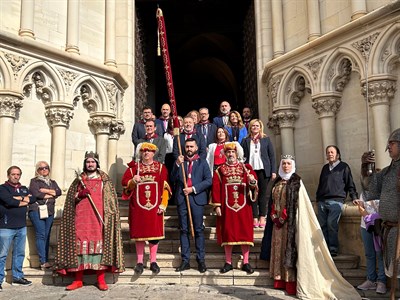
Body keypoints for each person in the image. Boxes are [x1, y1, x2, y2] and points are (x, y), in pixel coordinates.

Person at [264, 156, 361, 299]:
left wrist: (285, 216)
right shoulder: (277, 182)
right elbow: (272, 201)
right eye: (283, 163)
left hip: (290, 224)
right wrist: (273, 215)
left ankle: (290, 282)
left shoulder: (296, 182)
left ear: (293, 166)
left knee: (289, 250)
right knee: (278, 251)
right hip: (277, 225)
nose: (285, 166)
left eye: (288, 164)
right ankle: (279, 280)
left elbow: (300, 204)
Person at [54, 152, 124, 291]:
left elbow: (110, 201)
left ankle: (101, 280)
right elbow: (70, 200)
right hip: (81, 219)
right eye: (88, 162)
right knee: (80, 248)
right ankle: (78, 280)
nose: (90, 164)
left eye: (92, 162)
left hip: (98, 219)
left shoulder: (105, 180)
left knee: (99, 248)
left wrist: (108, 217)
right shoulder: (79, 180)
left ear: (97, 164)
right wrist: (79, 194)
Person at [121, 142, 171, 275]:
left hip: (155, 207)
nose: (146, 153)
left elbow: (165, 187)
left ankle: (153, 261)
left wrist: (163, 204)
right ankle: (139, 262)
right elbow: (125, 189)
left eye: (148, 151)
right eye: (143, 151)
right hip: (138, 207)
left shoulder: (161, 168)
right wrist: (132, 181)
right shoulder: (133, 169)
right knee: (140, 236)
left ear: (153, 153)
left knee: (154, 236)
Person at [210, 142, 258, 274]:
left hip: (244, 206)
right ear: (224, 155)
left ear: (237, 154)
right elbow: (216, 188)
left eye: (233, 152)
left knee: (245, 232)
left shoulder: (246, 168)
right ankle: (228, 262)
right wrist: (217, 205)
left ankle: (246, 262)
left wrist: (252, 181)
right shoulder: (219, 170)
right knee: (228, 232)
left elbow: (253, 187)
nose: (230, 154)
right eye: (228, 152)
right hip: (227, 207)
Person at [361, 128, 400, 281]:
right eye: (388, 143)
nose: (388, 146)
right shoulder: (387, 172)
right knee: (395, 270)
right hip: (391, 229)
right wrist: (366, 169)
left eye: (392, 143)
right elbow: (371, 191)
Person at [170, 138, 212, 273]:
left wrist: (193, 188)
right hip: (182, 200)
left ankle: (201, 260)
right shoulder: (180, 163)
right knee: (183, 230)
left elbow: (208, 180)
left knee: (198, 230)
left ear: (196, 147)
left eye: (191, 146)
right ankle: (185, 260)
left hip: (197, 200)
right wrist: (176, 165)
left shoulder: (202, 162)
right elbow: (172, 179)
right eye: (187, 146)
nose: (189, 149)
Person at [316, 145, 359, 257]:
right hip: (322, 201)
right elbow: (321, 184)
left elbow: (350, 183)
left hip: (336, 200)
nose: (330, 154)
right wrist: (318, 199)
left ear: (338, 155)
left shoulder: (344, 167)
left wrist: (354, 197)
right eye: (328, 152)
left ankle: (333, 248)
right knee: (322, 225)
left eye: (332, 152)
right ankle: (324, 248)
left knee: (331, 223)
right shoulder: (325, 168)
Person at [0, 166, 35, 291]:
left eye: (18, 174)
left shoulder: (24, 188)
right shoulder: (2, 188)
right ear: (8, 175)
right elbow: (9, 201)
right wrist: (23, 199)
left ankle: (17, 277)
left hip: (21, 226)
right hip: (6, 227)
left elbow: (33, 198)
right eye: (13, 174)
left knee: (19, 253)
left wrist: (17, 198)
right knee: (2, 254)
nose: (16, 176)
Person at [241, 119, 276, 228]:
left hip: (263, 169)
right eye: (253, 126)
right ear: (250, 127)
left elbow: (272, 156)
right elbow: (242, 156)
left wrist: (273, 171)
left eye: (257, 126)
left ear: (260, 127)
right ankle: (254, 217)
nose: (255, 127)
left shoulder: (266, 139)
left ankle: (262, 216)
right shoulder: (245, 140)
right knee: (253, 193)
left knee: (263, 194)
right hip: (251, 170)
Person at [28, 161, 62, 270]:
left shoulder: (52, 182)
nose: (44, 170)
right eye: (41, 168)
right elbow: (36, 193)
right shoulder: (34, 181)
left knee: (47, 235)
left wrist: (46, 191)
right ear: (37, 170)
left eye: (46, 168)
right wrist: (51, 194)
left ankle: (45, 260)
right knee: (41, 235)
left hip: (49, 211)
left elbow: (59, 192)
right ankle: (43, 261)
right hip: (37, 210)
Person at [353, 194, 386, 294]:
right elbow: (361, 208)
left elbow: (387, 209)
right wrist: (368, 218)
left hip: (380, 225)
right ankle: (371, 280)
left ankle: (381, 281)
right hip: (366, 225)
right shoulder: (364, 192)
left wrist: (374, 219)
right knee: (369, 254)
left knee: (381, 254)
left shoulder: (383, 188)